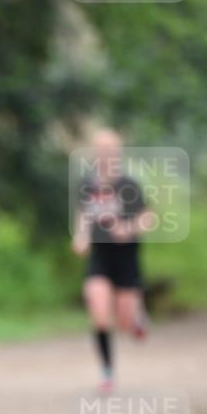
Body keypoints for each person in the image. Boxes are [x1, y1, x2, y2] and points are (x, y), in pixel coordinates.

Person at [72, 129, 150, 392]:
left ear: (117, 153)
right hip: (100, 256)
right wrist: (81, 236)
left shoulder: (128, 184)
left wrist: (127, 228)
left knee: (125, 321)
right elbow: (84, 214)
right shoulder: (88, 184)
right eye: (100, 150)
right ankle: (107, 372)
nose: (105, 155)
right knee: (98, 308)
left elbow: (147, 217)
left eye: (110, 150)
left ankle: (136, 318)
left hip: (126, 257)